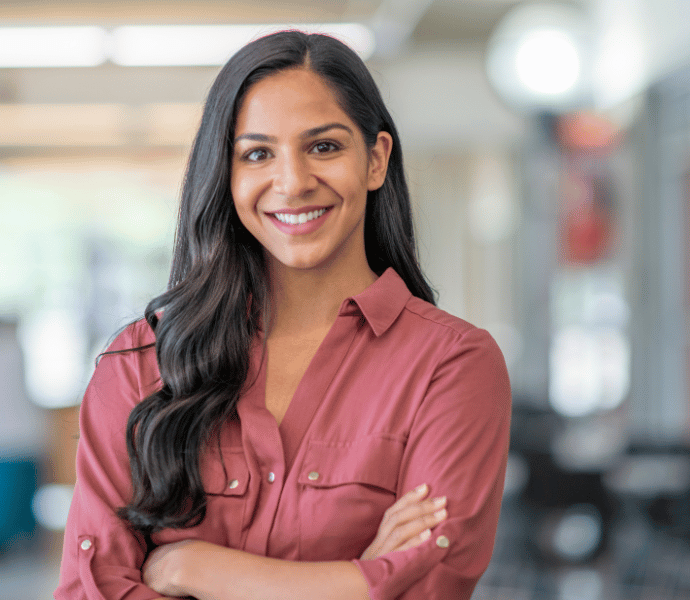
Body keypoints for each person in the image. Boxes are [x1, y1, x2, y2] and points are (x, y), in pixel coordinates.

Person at [55, 30, 511, 600]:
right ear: (226, 173)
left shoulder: (453, 367)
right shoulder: (141, 364)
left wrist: (193, 568)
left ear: (375, 160)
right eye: (257, 153)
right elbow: (91, 591)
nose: (293, 183)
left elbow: (427, 589)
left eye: (324, 147)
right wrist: (355, 580)